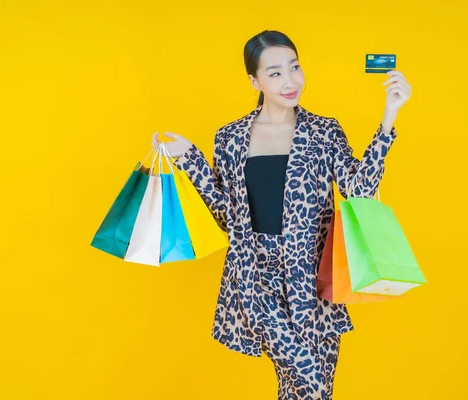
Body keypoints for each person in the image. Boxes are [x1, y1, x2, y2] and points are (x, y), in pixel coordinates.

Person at [151, 30, 412, 400]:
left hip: (313, 281)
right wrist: (190, 157)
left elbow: (359, 190)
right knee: (312, 386)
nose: (290, 81)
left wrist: (389, 117)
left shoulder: (324, 132)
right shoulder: (230, 138)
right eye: (275, 73)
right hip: (256, 277)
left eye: (295, 67)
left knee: (301, 391)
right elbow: (229, 216)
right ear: (254, 81)